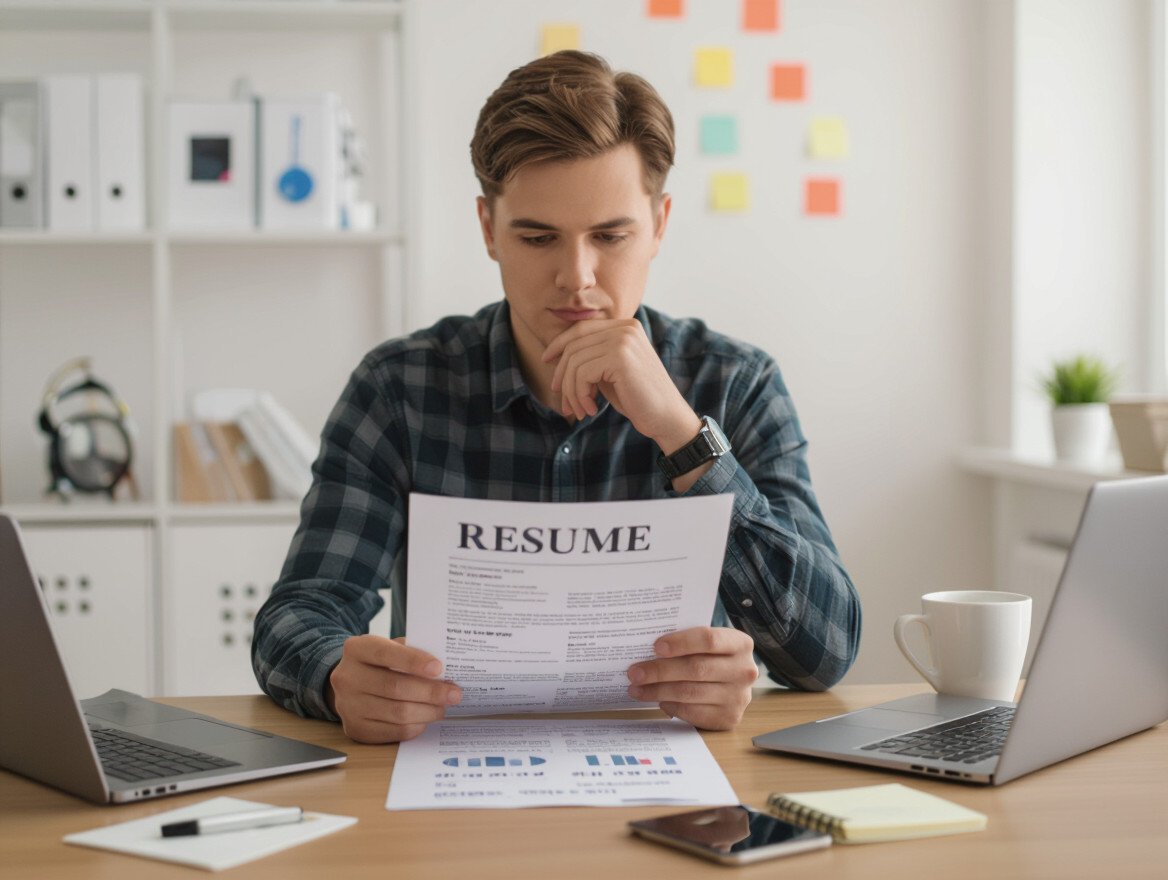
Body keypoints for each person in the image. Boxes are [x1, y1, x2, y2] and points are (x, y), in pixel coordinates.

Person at [253, 50, 861, 744]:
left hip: (674, 773)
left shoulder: (736, 384)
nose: (577, 277)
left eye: (611, 236)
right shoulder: (399, 389)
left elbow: (827, 653)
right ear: (489, 229)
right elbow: (298, 615)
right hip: (453, 769)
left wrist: (683, 435)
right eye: (539, 237)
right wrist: (337, 675)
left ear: (659, 225)